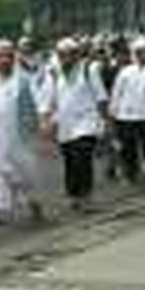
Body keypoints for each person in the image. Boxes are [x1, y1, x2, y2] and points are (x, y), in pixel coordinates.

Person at [0, 39, 43, 225]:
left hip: (19, 137)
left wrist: (42, 125)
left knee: (24, 174)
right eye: (0, 57)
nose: (4, 60)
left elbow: (38, 105)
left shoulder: (23, 81)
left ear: (13, 59)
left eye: (8, 56)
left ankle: (33, 203)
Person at [39, 37, 108, 212]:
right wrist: (46, 121)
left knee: (82, 157)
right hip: (65, 125)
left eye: (70, 54)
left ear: (77, 55)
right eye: (62, 55)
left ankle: (86, 196)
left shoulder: (88, 69)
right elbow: (46, 100)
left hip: (87, 122)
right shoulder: (54, 73)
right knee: (70, 161)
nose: (66, 58)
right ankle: (73, 194)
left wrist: (104, 122)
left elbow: (100, 98)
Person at [110, 37, 145, 185]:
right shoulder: (126, 71)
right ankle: (131, 173)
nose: (143, 55)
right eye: (139, 53)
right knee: (128, 148)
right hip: (126, 116)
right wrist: (113, 112)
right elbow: (117, 93)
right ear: (135, 54)